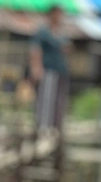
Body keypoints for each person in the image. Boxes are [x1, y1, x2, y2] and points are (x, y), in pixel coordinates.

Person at [29, 5, 70, 133]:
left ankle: (54, 126)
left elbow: (66, 49)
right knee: (46, 97)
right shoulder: (43, 32)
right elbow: (35, 50)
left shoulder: (60, 33)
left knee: (58, 99)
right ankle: (43, 126)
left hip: (60, 70)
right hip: (48, 69)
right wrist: (36, 68)